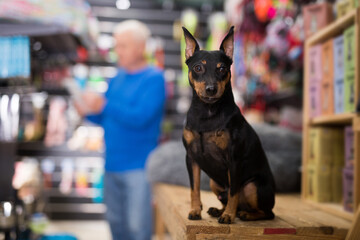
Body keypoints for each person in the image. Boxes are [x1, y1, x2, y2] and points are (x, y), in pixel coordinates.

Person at [74, 20, 166, 240]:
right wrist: (87, 111)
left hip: (138, 168)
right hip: (111, 165)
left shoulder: (154, 79)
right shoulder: (116, 78)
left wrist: (103, 105)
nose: (118, 51)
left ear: (140, 47)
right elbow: (107, 117)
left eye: (123, 46)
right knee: (116, 226)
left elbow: (141, 118)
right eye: (116, 45)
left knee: (137, 229)